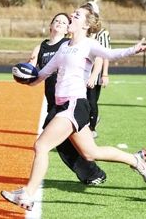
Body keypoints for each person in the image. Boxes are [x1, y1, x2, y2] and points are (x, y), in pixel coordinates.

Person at [1, 3, 146, 211]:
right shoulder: (64, 47)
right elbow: (44, 73)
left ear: (86, 24)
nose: (72, 14)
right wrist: (28, 79)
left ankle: (27, 194)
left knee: (41, 146)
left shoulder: (89, 44)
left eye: (77, 15)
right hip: (65, 106)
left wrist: (135, 49)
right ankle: (135, 160)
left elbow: (112, 54)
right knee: (91, 153)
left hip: (74, 105)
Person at [28, 12, 107, 185]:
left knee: (49, 145)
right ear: (50, 25)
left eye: (64, 22)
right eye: (56, 20)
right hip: (54, 100)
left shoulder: (68, 44)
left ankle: (92, 173)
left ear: (67, 29)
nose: (59, 23)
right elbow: (32, 70)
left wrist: (95, 75)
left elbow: (98, 56)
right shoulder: (41, 47)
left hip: (69, 101)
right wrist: (24, 74)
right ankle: (96, 172)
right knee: (84, 149)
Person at [86, 1, 111, 138]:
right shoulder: (83, 31)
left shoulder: (102, 33)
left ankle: (92, 127)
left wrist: (105, 74)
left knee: (91, 100)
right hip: (82, 70)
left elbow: (105, 54)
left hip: (96, 71)